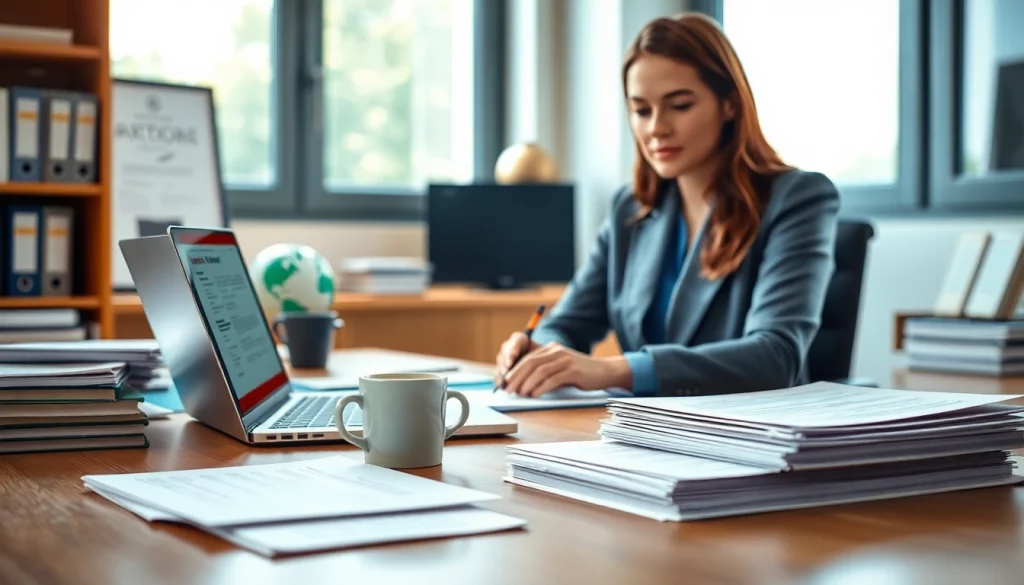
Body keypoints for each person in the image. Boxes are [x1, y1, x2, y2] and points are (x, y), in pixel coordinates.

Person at [495, 12, 840, 398]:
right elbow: (568, 323)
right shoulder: (631, 209)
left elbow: (776, 356)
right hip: (644, 433)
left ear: (729, 104)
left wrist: (614, 369)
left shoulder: (798, 198)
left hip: (750, 434)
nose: (657, 127)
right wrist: (542, 350)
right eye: (641, 110)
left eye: (679, 105)